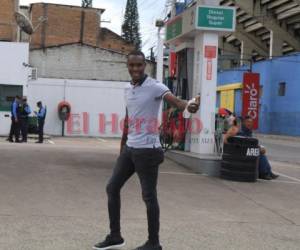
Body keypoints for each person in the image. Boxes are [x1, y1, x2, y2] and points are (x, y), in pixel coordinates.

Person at [93, 51, 200, 250]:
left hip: (148, 151)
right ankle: (115, 236)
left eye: (139, 65)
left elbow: (176, 101)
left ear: (145, 66)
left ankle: (154, 243)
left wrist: (188, 106)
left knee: (149, 196)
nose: (135, 69)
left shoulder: (155, 87)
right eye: (132, 65)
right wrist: (123, 146)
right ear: (127, 66)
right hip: (130, 149)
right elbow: (129, 118)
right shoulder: (127, 89)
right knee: (112, 187)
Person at [224, 116, 279, 180]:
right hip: (240, 152)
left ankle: (268, 172)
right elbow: (227, 139)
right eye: (247, 122)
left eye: (251, 122)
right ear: (243, 122)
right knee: (259, 154)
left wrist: (259, 147)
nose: (249, 123)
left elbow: (250, 142)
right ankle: (263, 173)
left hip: (246, 150)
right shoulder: (238, 130)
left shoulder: (248, 131)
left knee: (262, 153)